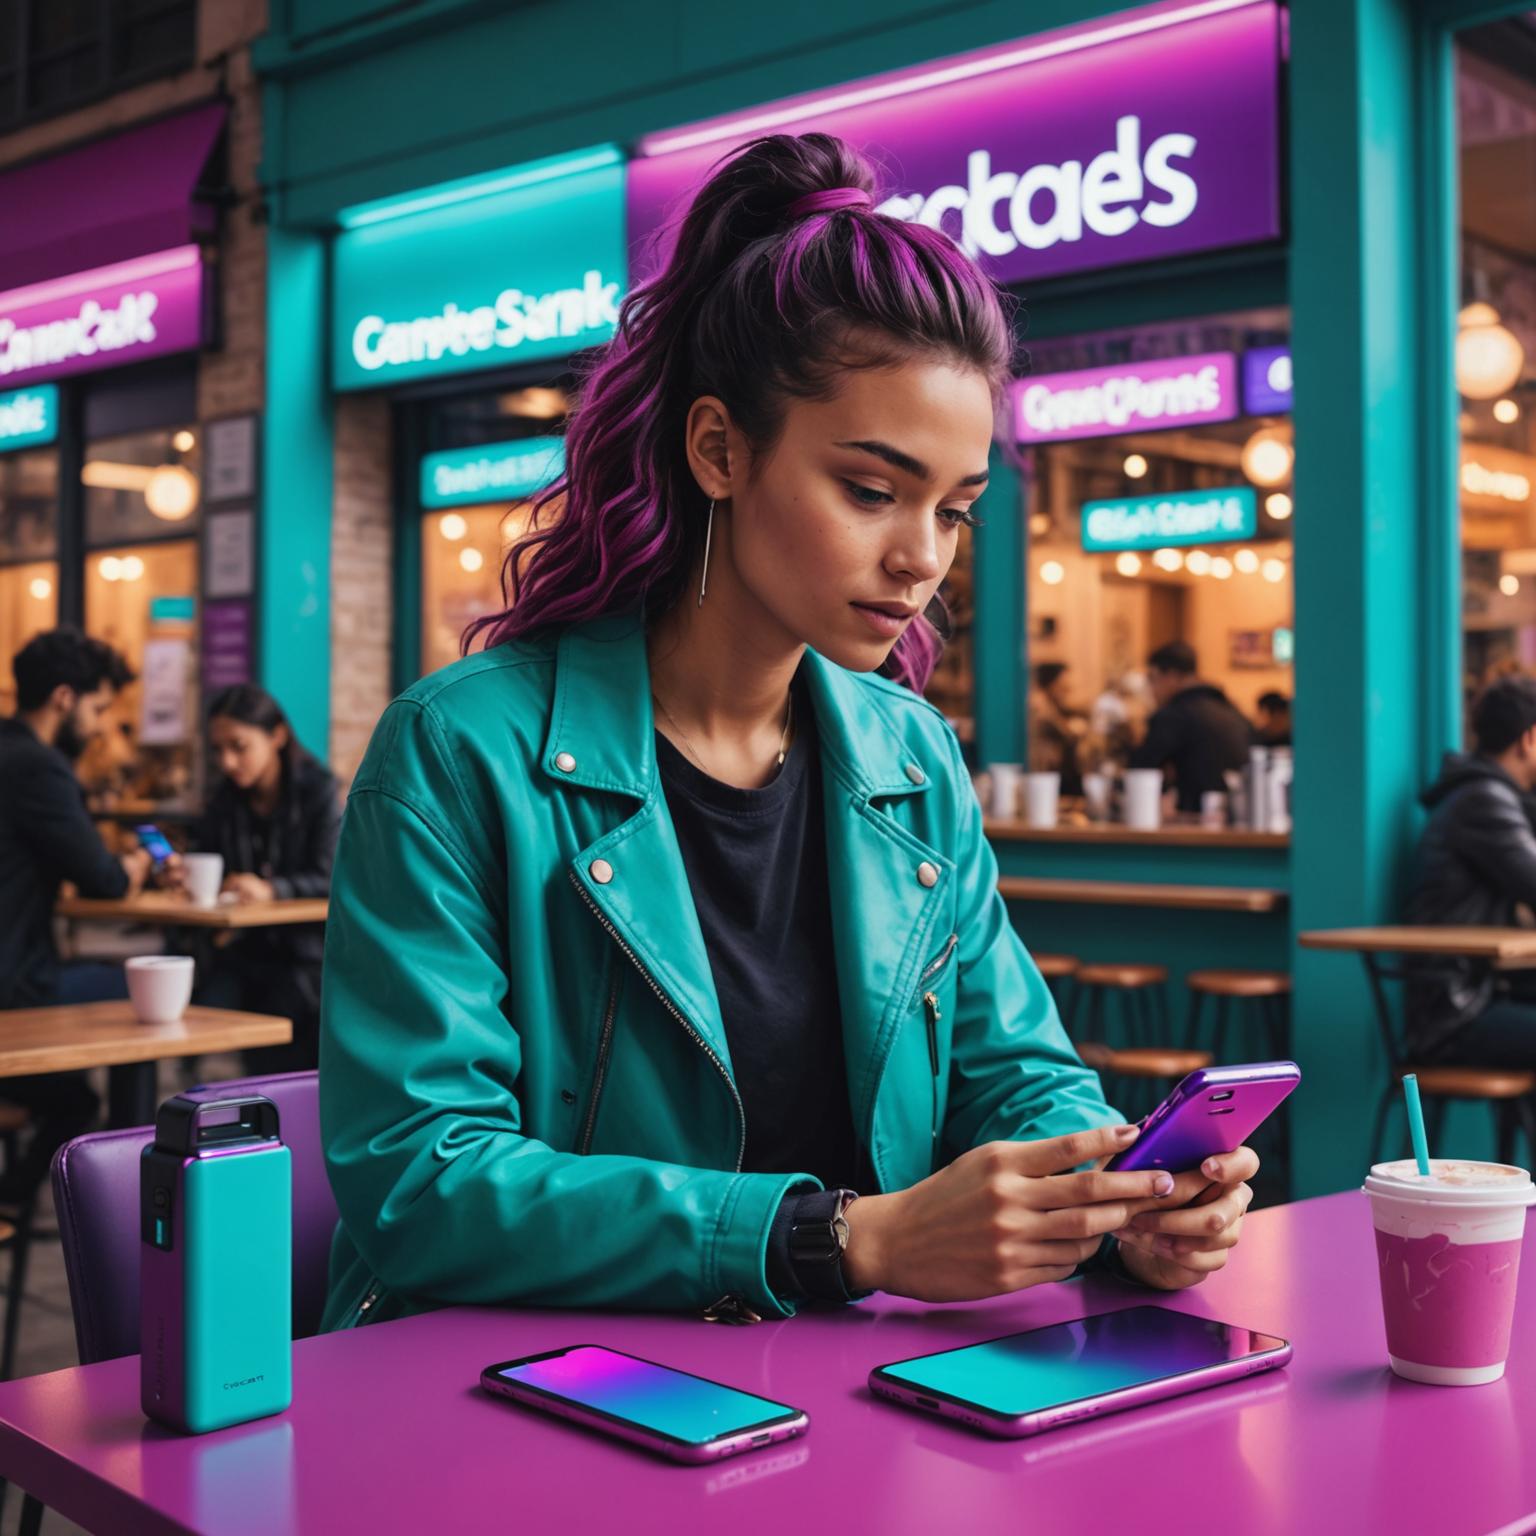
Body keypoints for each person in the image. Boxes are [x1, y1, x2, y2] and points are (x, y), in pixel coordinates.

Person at [318, 134, 1258, 1333]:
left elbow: (1011, 1074)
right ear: (719, 449)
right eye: (872, 490)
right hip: (527, 1392)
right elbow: (418, 1180)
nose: (921, 556)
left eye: (954, 510)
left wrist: (1115, 1203)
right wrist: (842, 1239)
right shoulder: (462, 752)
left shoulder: (911, 760)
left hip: (831, 1403)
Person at [0, 628, 150, 1201]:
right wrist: (134, 865)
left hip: (19, 971)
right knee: (150, 991)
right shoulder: (37, 768)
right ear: (64, 698)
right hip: (14, 988)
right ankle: (24, 1201)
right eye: (97, 709)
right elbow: (104, 880)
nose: (96, 725)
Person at [180, 686, 341, 1074]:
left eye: (238, 746)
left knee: (281, 1004)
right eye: (218, 750)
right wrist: (180, 871)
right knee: (188, 1009)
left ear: (277, 736)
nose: (228, 761)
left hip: (306, 955)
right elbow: (206, 855)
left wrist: (272, 889)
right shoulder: (225, 800)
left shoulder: (320, 793)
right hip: (244, 949)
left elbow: (332, 876)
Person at [1403, 675, 1536, 1068]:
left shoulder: (1486, 795)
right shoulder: (1484, 801)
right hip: (1455, 1013)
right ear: (1528, 739)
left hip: (1482, 992)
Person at [1129, 641, 1254, 814]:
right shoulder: (1233, 712)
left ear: (1171, 676)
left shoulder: (1173, 716)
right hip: (1240, 823)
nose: (1151, 689)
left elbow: (1140, 772)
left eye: (1152, 678)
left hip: (1194, 825)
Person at [1028, 662, 1085, 794]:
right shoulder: (1040, 706)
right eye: (1062, 684)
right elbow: (1067, 733)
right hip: (1044, 778)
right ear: (1051, 684)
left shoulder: (1050, 705)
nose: (1067, 689)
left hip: (1050, 776)